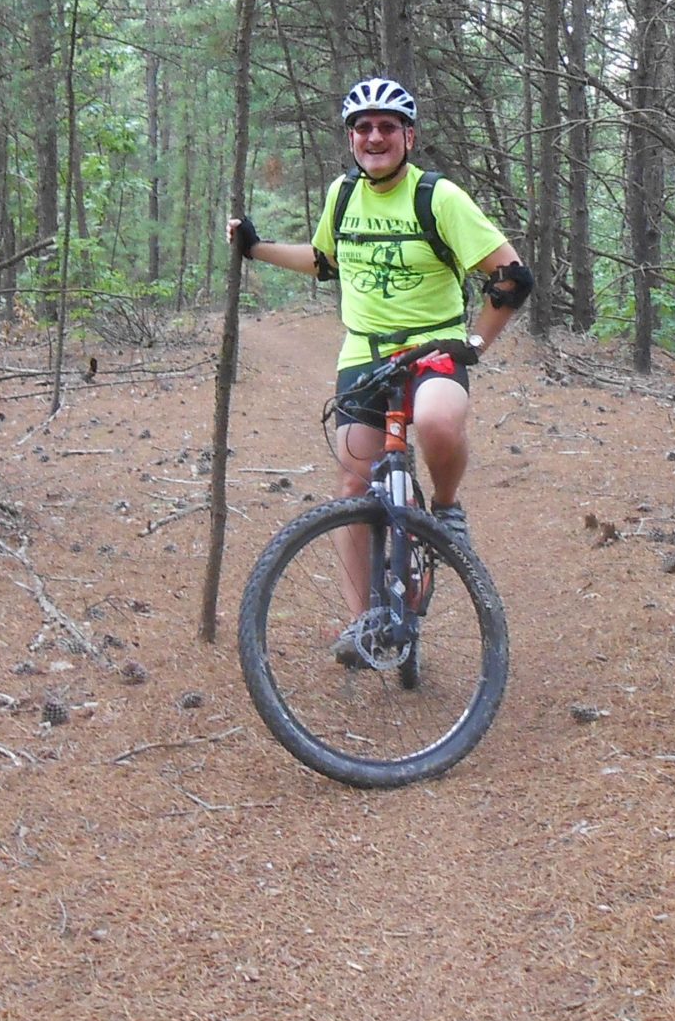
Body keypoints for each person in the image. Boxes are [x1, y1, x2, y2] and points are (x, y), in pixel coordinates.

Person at [228, 77, 533, 658]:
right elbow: (324, 262)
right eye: (363, 128)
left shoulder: (438, 197)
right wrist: (256, 249)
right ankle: (365, 622)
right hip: (364, 353)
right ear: (351, 139)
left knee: (440, 422)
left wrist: (475, 342)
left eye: (387, 127)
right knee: (352, 481)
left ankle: (445, 508)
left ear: (408, 136)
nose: (375, 137)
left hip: (432, 347)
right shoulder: (343, 197)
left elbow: (511, 276)